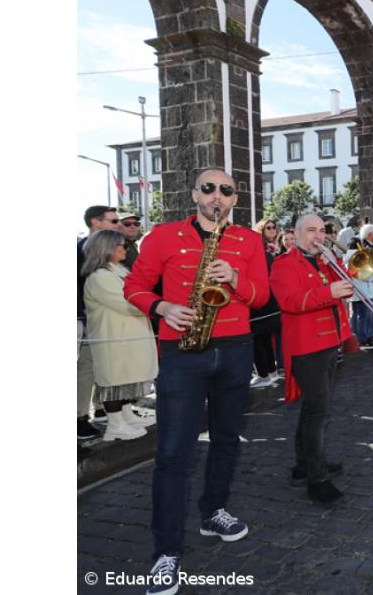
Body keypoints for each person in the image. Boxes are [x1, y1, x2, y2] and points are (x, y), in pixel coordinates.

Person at [124, 169, 269, 592]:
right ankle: (166, 551)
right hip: (181, 352)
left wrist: (238, 280)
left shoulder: (249, 240)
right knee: (173, 453)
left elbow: (261, 297)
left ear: (234, 199)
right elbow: (133, 286)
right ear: (194, 195)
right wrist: (163, 307)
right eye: (208, 188)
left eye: (226, 190)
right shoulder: (163, 236)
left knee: (227, 440)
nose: (216, 196)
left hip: (236, 349)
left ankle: (214, 511)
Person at [270, 214, 353, 505]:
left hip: (330, 342)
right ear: (295, 233)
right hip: (307, 347)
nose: (318, 235)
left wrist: (336, 268)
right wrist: (329, 290)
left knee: (314, 409)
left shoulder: (322, 261)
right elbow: (291, 302)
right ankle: (316, 479)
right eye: (311, 230)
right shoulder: (283, 263)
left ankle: (304, 465)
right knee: (318, 413)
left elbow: (344, 289)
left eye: (321, 230)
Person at [82, 230, 157, 441]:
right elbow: (129, 303)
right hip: (113, 339)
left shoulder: (117, 270)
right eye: (121, 245)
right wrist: (155, 304)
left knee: (125, 380)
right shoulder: (99, 277)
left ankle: (126, 417)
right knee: (113, 383)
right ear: (107, 249)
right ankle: (114, 426)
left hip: (126, 337)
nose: (125, 249)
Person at [78, 205, 119, 441]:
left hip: (100, 319)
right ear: (95, 222)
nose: (119, 225)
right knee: (86, 368)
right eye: (113, 221)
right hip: (85, 319)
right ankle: (80, 417)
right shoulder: (81, 250)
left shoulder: (105, 249)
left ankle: (102, 409)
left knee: (100, 365)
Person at [250, 223, 284, 389]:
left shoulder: (256, 258)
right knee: (265, 342)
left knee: (258, 342)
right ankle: (271, 372)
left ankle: (263, 374)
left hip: (259, 306)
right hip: (271, 305)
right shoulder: (269, 256)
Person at [347, 223, 373, 348]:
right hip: (361, 286)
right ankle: (362, 338)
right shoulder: (356, 248)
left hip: (366, 285)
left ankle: (363, 336)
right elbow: (359, 270)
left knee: (362, 314)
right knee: (362, 314)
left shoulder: (361, 248)